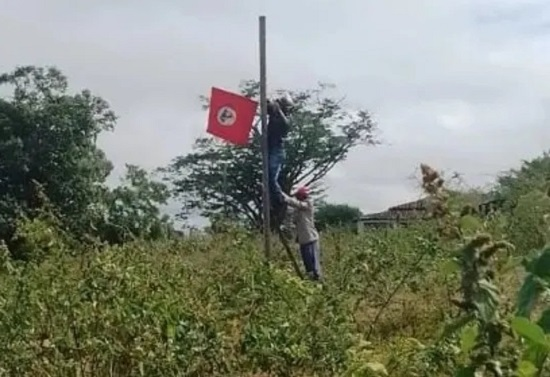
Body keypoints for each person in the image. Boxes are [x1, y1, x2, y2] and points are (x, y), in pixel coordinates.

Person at [282, 186, 322, 281]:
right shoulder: (297, 210)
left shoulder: (308, 203)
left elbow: (297, 204)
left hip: (310, 238)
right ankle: (311, 279)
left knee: (313, 263)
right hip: (303, 239)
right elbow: (292, 217)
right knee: (307, 262)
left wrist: (285, 197)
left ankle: (318, 279)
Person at [267, 94, 294, 215]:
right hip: (269, 148)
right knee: (268, 178)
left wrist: (277, 108)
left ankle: (281, 200)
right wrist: (268, 101)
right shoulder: (275, 114)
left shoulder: (285, 120)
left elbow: (285, 124)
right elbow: (268, 108)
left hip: (277, 150)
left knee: (271, 178)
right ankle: (273, 201)